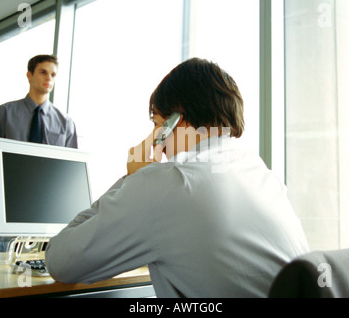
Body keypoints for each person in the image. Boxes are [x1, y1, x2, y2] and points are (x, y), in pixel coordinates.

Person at [45, 58, 309, 297]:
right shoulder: (260, 173)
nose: (155, 133)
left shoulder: (168, 183)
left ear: (176, 119)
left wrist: (131, 177)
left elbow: (60, 261)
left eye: (157, 123)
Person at [0, 54, 78, 232]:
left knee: (44, 259)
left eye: (53, 74)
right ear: (29, 75)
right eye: (43, 72)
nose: (49, 78)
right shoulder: (3, 114)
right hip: (7, 205)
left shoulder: (66, 123)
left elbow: (70, 172)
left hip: (49, 208)